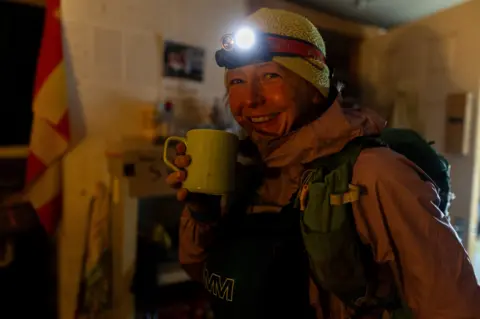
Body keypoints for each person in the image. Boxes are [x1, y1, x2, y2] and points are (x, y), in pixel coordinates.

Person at [166, 8, 480, 319]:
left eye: (270, 76)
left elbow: (453, 308)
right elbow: (204, 275)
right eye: (236, 82)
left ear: (316, 88)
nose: (250, 99)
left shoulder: (373, 176)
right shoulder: (247, 172)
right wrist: (201, 215)